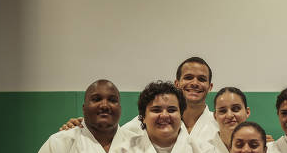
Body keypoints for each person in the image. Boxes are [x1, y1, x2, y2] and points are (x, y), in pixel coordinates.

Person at [60, 57, 218, 143]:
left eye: (201, 79)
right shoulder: (147, 121)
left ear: (210, 86)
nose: (195, 83)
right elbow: (114, 138)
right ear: (177, 84)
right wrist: (83, 128)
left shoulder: (219, 124)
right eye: (188, 77)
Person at [194, 87, 251, 153]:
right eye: (223, 111)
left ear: (247, 112)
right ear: (215, 116)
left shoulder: (259, 150)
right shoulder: (201, 151)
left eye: (235, 109)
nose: (229, 115)